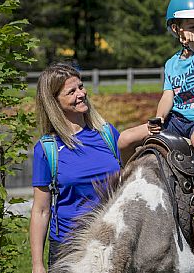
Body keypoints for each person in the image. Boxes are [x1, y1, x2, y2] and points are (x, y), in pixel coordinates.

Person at [118, 0, 194, 228]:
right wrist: (159, 118)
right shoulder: (171, 64)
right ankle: (126, 183)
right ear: (175, 29)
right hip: (178, 120)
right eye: (192, 27)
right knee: (125, 139)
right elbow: (168, 94)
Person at [30, 63, 121, 273]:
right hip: (69, 249)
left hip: (112, 242)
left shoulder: (107, 133)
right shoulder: (46, 149)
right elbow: (41, 210)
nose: (81, 94)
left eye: (81, 86)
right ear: (54, 102)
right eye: (72, 91)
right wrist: (37, 264)